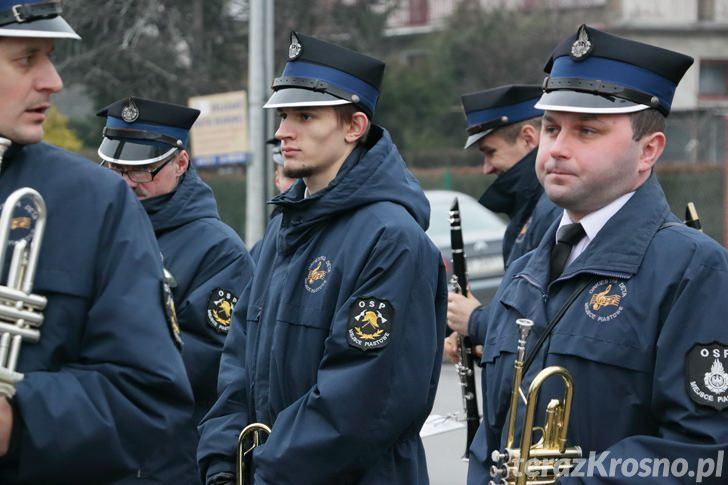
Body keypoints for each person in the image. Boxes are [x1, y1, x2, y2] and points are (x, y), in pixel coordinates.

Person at [468, 24, 728, 484]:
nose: (558, 149)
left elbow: (703, 451)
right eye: (551, 128)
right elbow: (494, 439)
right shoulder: (527, 269)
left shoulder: (692, 269)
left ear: (648, 151)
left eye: (587, 130)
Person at [197, 31, 447, 485]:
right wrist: (222, 462)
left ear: (354, 127)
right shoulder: (283, 229)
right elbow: (238, 364)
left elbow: (363, 401)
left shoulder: (392, 237)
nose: (282, 132)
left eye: (305, 116)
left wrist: (265, 472)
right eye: (283, 115)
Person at [0, 2, 197, 483]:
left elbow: (149, 399)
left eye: (48, 56)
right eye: (27, 59)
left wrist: (17, 420)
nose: (54, 81)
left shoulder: (93, 200)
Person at [96, 97, 254, 428]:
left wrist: (96, 356)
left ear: (180, 163)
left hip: (164, 449)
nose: (124, 181)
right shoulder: (93, 228)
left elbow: (210, 360)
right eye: (113, 167)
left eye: (139, 168)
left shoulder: (219, 250)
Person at [445, 85, 561, 363]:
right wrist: (486, 341)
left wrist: (476, 320)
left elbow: (541, 320)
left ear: (528, 138)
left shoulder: (551, 208)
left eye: (490, 151)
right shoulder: (529, 207)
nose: (487, 168)